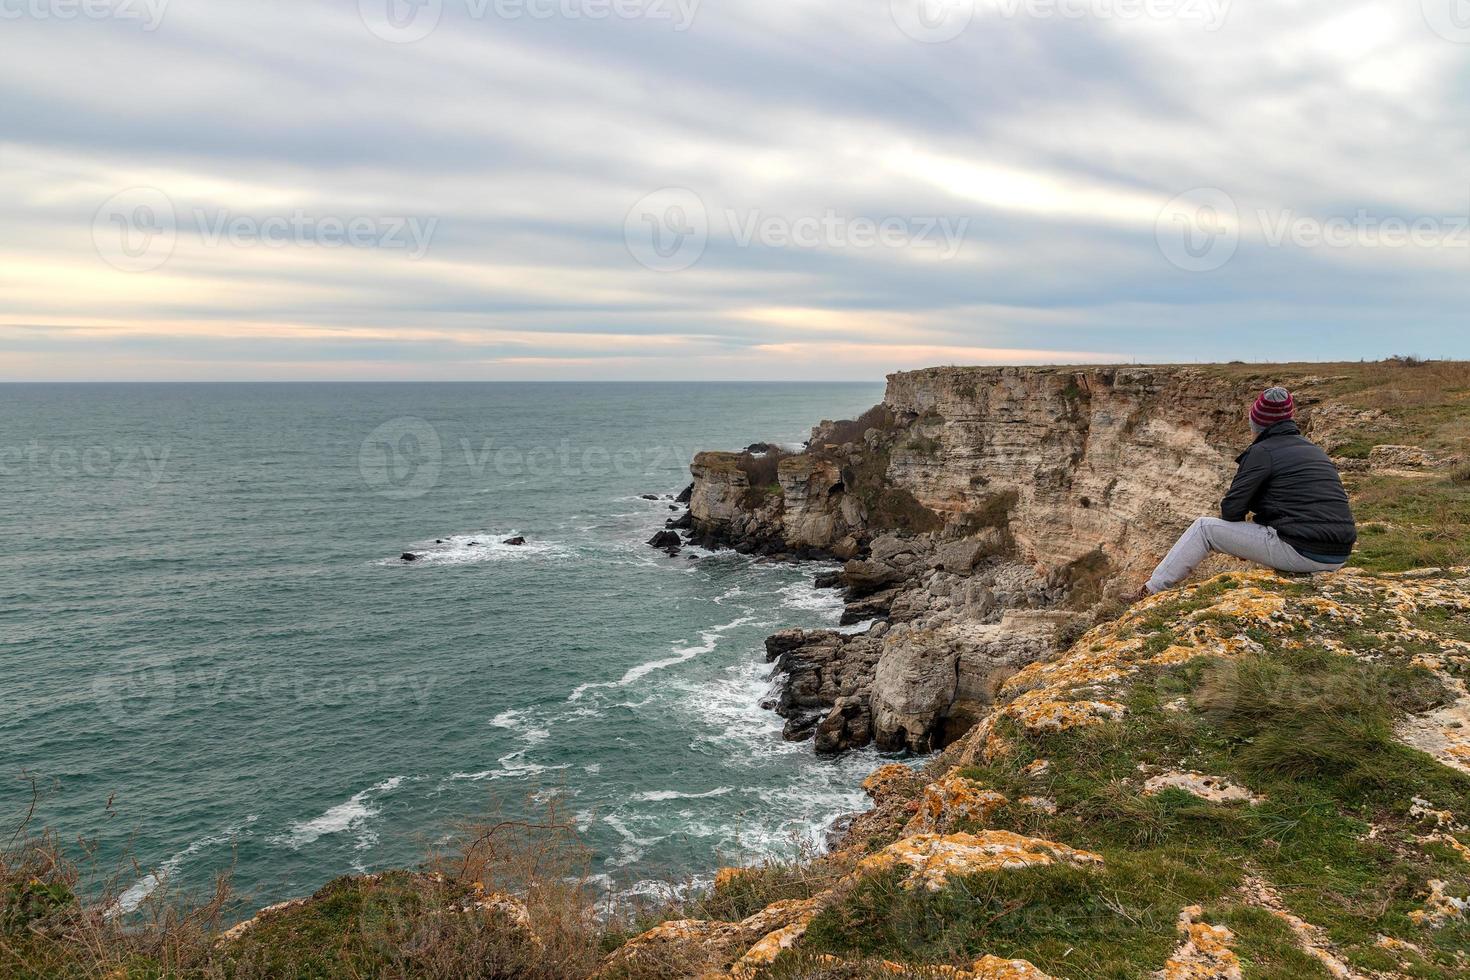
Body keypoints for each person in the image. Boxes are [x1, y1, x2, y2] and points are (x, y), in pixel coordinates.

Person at [1140, 387, 1356, 596]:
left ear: (1256, 423)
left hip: (1303, 551)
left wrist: (1240, 538)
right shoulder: (1312, 449)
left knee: (1204, 528)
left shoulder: (1262, 451)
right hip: (1339, 553)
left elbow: (1231, 509)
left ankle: (1150, 591)